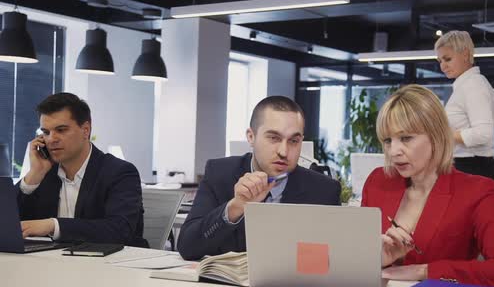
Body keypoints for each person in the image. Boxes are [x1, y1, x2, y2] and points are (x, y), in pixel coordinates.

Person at [361, 85, 494, 287]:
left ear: (436, 136)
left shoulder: (476, 191)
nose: (394, 151)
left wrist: (425, 271)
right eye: (387, 140)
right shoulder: (378, 182)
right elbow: (356, 259)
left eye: (406, 138)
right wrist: (379, 259)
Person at [178, 96, 341, 260]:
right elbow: (187, 246)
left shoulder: (324, 190)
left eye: (293, 141)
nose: (283, 152)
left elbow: (332, 260)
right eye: (274, 138)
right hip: (226, 285)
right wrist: (235, 207)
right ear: (251, 136)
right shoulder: (220, 173)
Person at [17, 93, 147, 247]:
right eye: (46, 132)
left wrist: (53, 225)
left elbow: (120, 230)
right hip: (52, 263)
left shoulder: (119, 172)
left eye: (61, 130)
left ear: (85, 130)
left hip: (107, 265)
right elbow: (8, 224)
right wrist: (33, 176)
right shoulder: (44, 173)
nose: (51, 139)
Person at [435, 30, 494, 191]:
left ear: (465, 55)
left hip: (474, 170)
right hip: (464, 167)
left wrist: (442, 134)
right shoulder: (464, 87)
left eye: (447, 59)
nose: (442, 66)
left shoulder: (474, 86)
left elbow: (484, 134)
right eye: (439, 61)